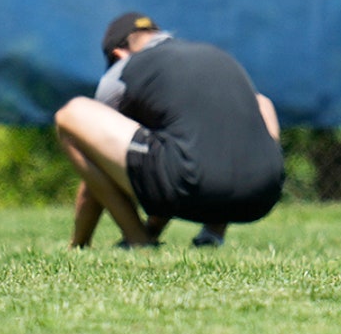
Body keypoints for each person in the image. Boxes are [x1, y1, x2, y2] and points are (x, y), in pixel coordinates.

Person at [54, 13, 284, 248]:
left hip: (191, 188)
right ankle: (212, 234)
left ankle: (138, 241)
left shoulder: (124, 70)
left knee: (71, 114)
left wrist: (79, 242)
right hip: (262, 195)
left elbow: (96, 153)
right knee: (259, 103)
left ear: (118, 54)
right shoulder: (215, 56)